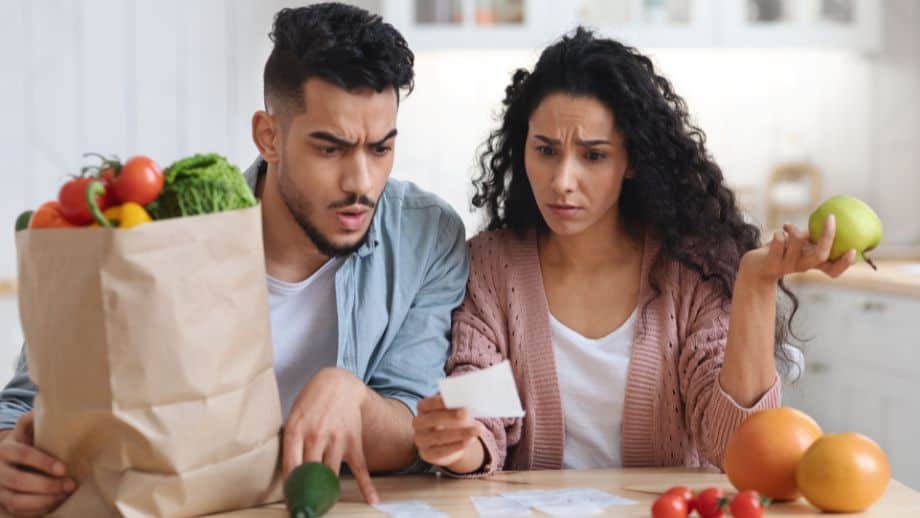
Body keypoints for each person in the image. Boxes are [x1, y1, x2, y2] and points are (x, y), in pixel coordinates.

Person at [0, 3, 468, 514]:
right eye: (330, 150)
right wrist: (6, 457)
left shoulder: (427, 235)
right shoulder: (163, 229)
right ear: (269, 136)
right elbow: (25, 404)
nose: (361, 182)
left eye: (380, 149)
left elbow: (414, 428)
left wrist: (351, 395)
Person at [412, 28, 854, 476]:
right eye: (545, 150)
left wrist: (756, 283)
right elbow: (480, 422)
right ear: (522, 145)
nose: (563, 179)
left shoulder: (691, 268)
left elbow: (738, 447)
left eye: (594, 156)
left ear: (632, 161)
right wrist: (454, 444)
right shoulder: (490, 265)